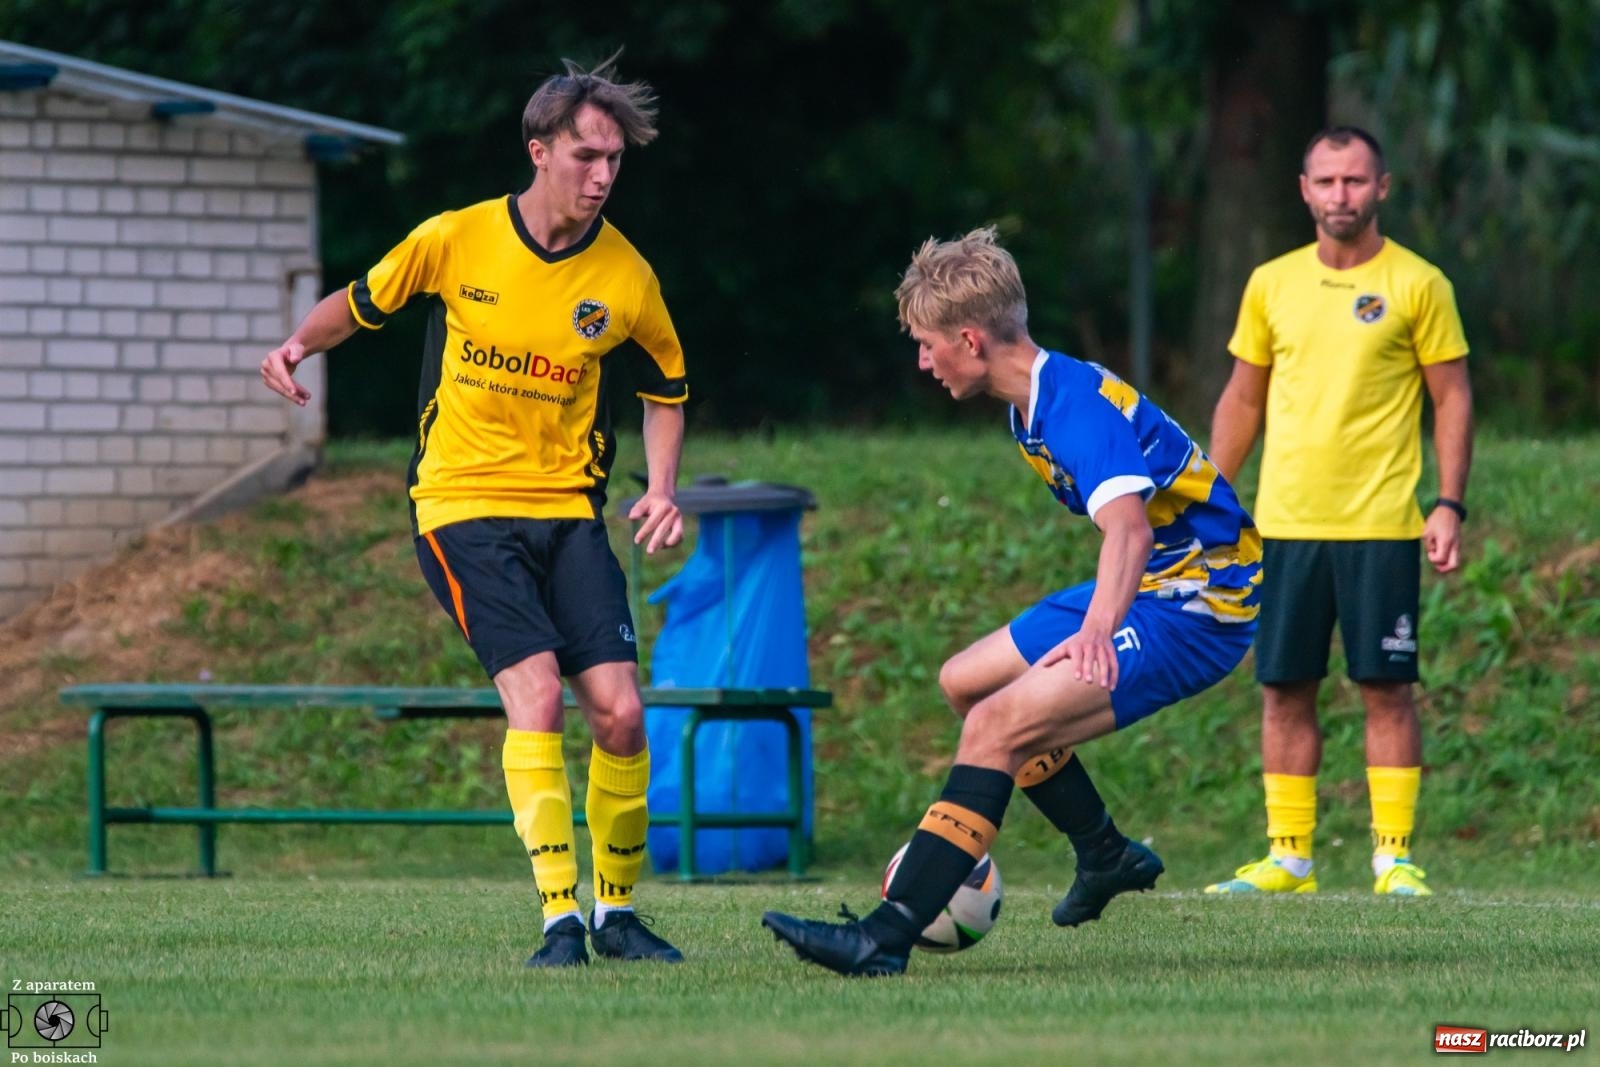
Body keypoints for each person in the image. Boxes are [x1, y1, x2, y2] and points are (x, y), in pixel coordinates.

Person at [260, 53, 690, 966]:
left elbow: (666, 383)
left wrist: (659, 486)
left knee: (620, 712)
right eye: (585, 155)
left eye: (614, 158)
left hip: (569, 513)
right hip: (462, 506)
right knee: (536, 696)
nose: (603, 175)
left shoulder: (628, 277)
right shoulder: (457, 239)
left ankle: (616, 914)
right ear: (538, 151)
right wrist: (297, 343)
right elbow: (363, 299)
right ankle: (559, 920)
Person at [761, 227, 1262, 976]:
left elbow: (1125, 527)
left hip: (1201, 600)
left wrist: (1099, 631)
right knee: (968, 681)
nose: (922, 360)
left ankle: (883, 937)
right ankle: (1104, 851)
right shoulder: (1029, 398)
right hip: (1161, 574)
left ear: (969, 338)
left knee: (997, 725)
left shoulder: (1072, 408)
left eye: (929, 345)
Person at [1204, 126, 1473, 898]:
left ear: (1382, 187)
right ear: (1303, 190)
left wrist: (1447, 503)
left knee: (1386, 686)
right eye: (1326, 182)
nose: (1340, 196)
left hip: (1382, 524)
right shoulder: (1271, 283)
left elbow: (1451, 395)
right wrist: (1213, 501)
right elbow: (1243, 396)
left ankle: (1394, 857)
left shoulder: (1420, 283)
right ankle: (1289, 858)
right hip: (1285, 523)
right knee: (1283, 687)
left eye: (1355, 181)